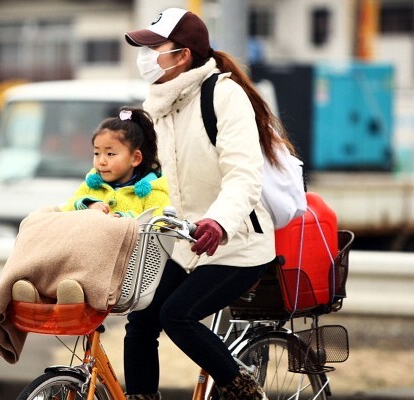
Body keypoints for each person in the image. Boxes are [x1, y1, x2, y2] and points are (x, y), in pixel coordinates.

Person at [122, 7, 296, 400]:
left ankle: (245, 388)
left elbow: (243, 176)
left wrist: (218, 222)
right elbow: (151, 176)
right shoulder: (160, 105)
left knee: (177, 314)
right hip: (189, 244)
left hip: (239, 245)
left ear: (182, 55)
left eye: (153, 48)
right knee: (141, 323)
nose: (145, 57)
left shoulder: (223, 95)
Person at [12, 107, 170, 305]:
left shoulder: (152, 191)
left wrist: (123, 219)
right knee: (40, 218)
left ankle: (73, 291)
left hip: (120, 267)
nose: (101, 161)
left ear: (135, 158)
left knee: (102, 231)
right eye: (97, 153)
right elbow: (68, 209)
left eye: (110, 154)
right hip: (78, 257)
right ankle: (39, 289)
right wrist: (87, 206)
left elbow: (157, 221)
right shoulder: (92, 184)